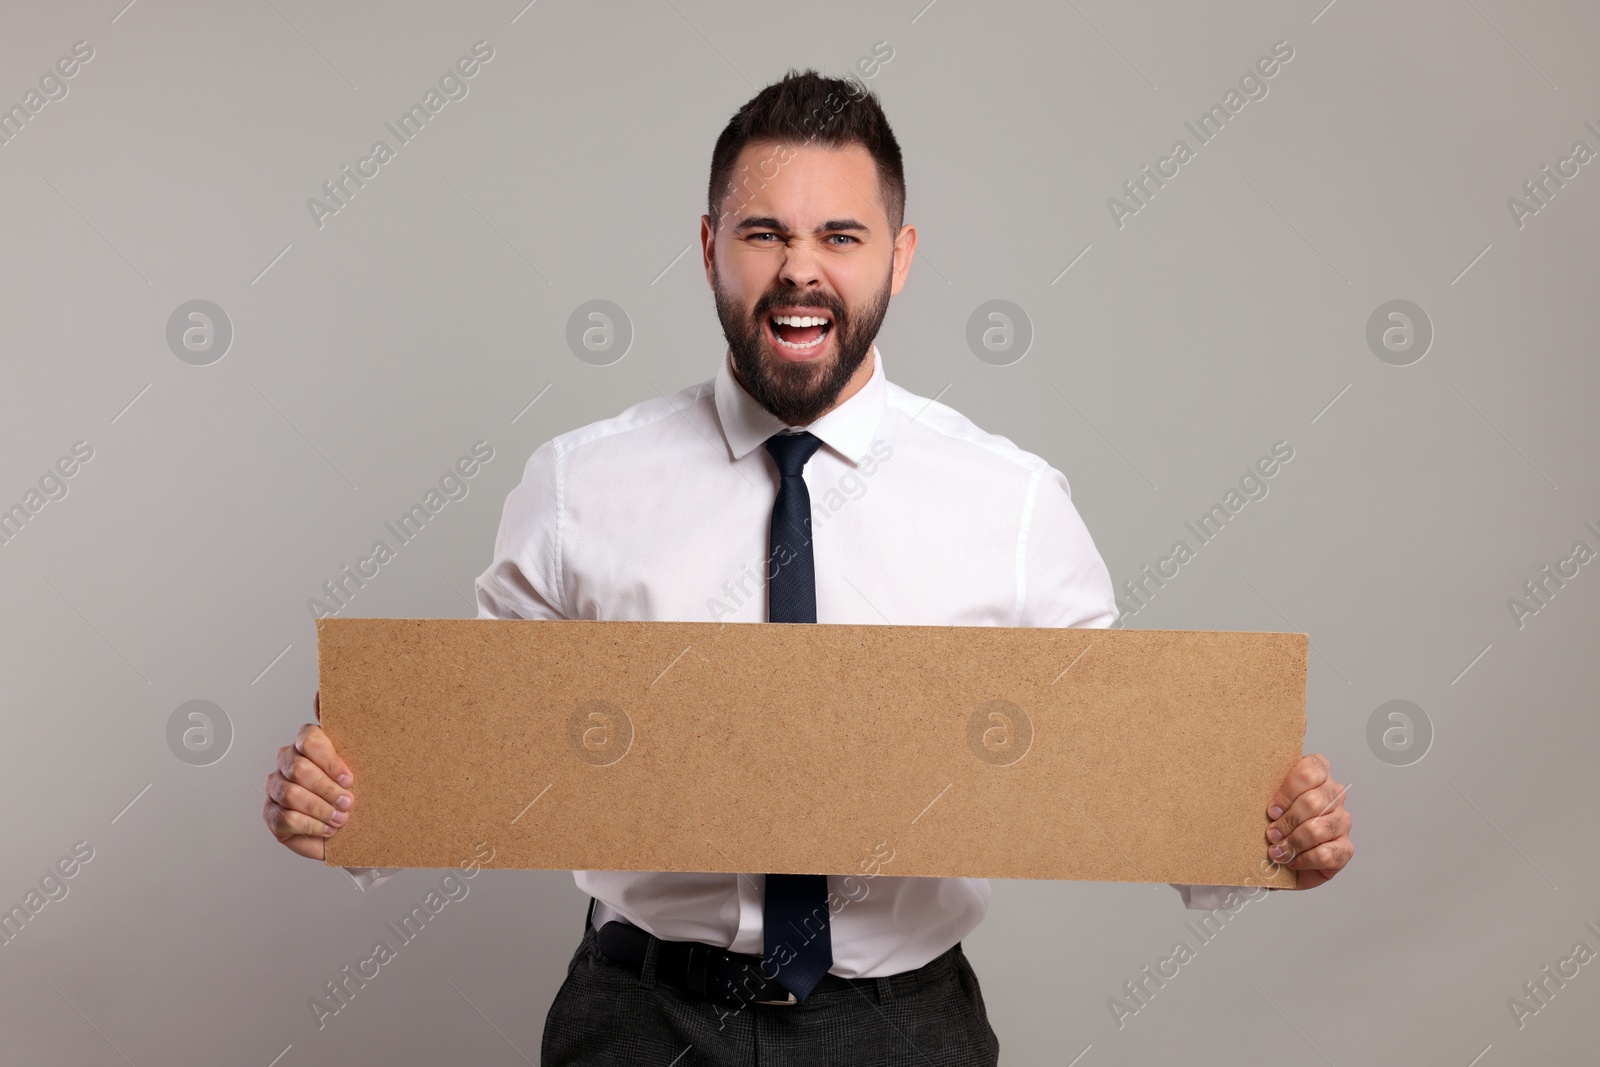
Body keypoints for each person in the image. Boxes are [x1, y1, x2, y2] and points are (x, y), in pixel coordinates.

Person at [263, 69, 1353, 1065]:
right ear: (706, 248)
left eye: (841, 233)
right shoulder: (576, 488)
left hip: (901, 1028)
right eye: (763, 232)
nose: (800, 269)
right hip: (640, 1020)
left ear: (901, 254)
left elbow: (1120, 763)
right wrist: (345, 800)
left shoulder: (1010, 501)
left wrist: (1262, 840)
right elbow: (461, 749)